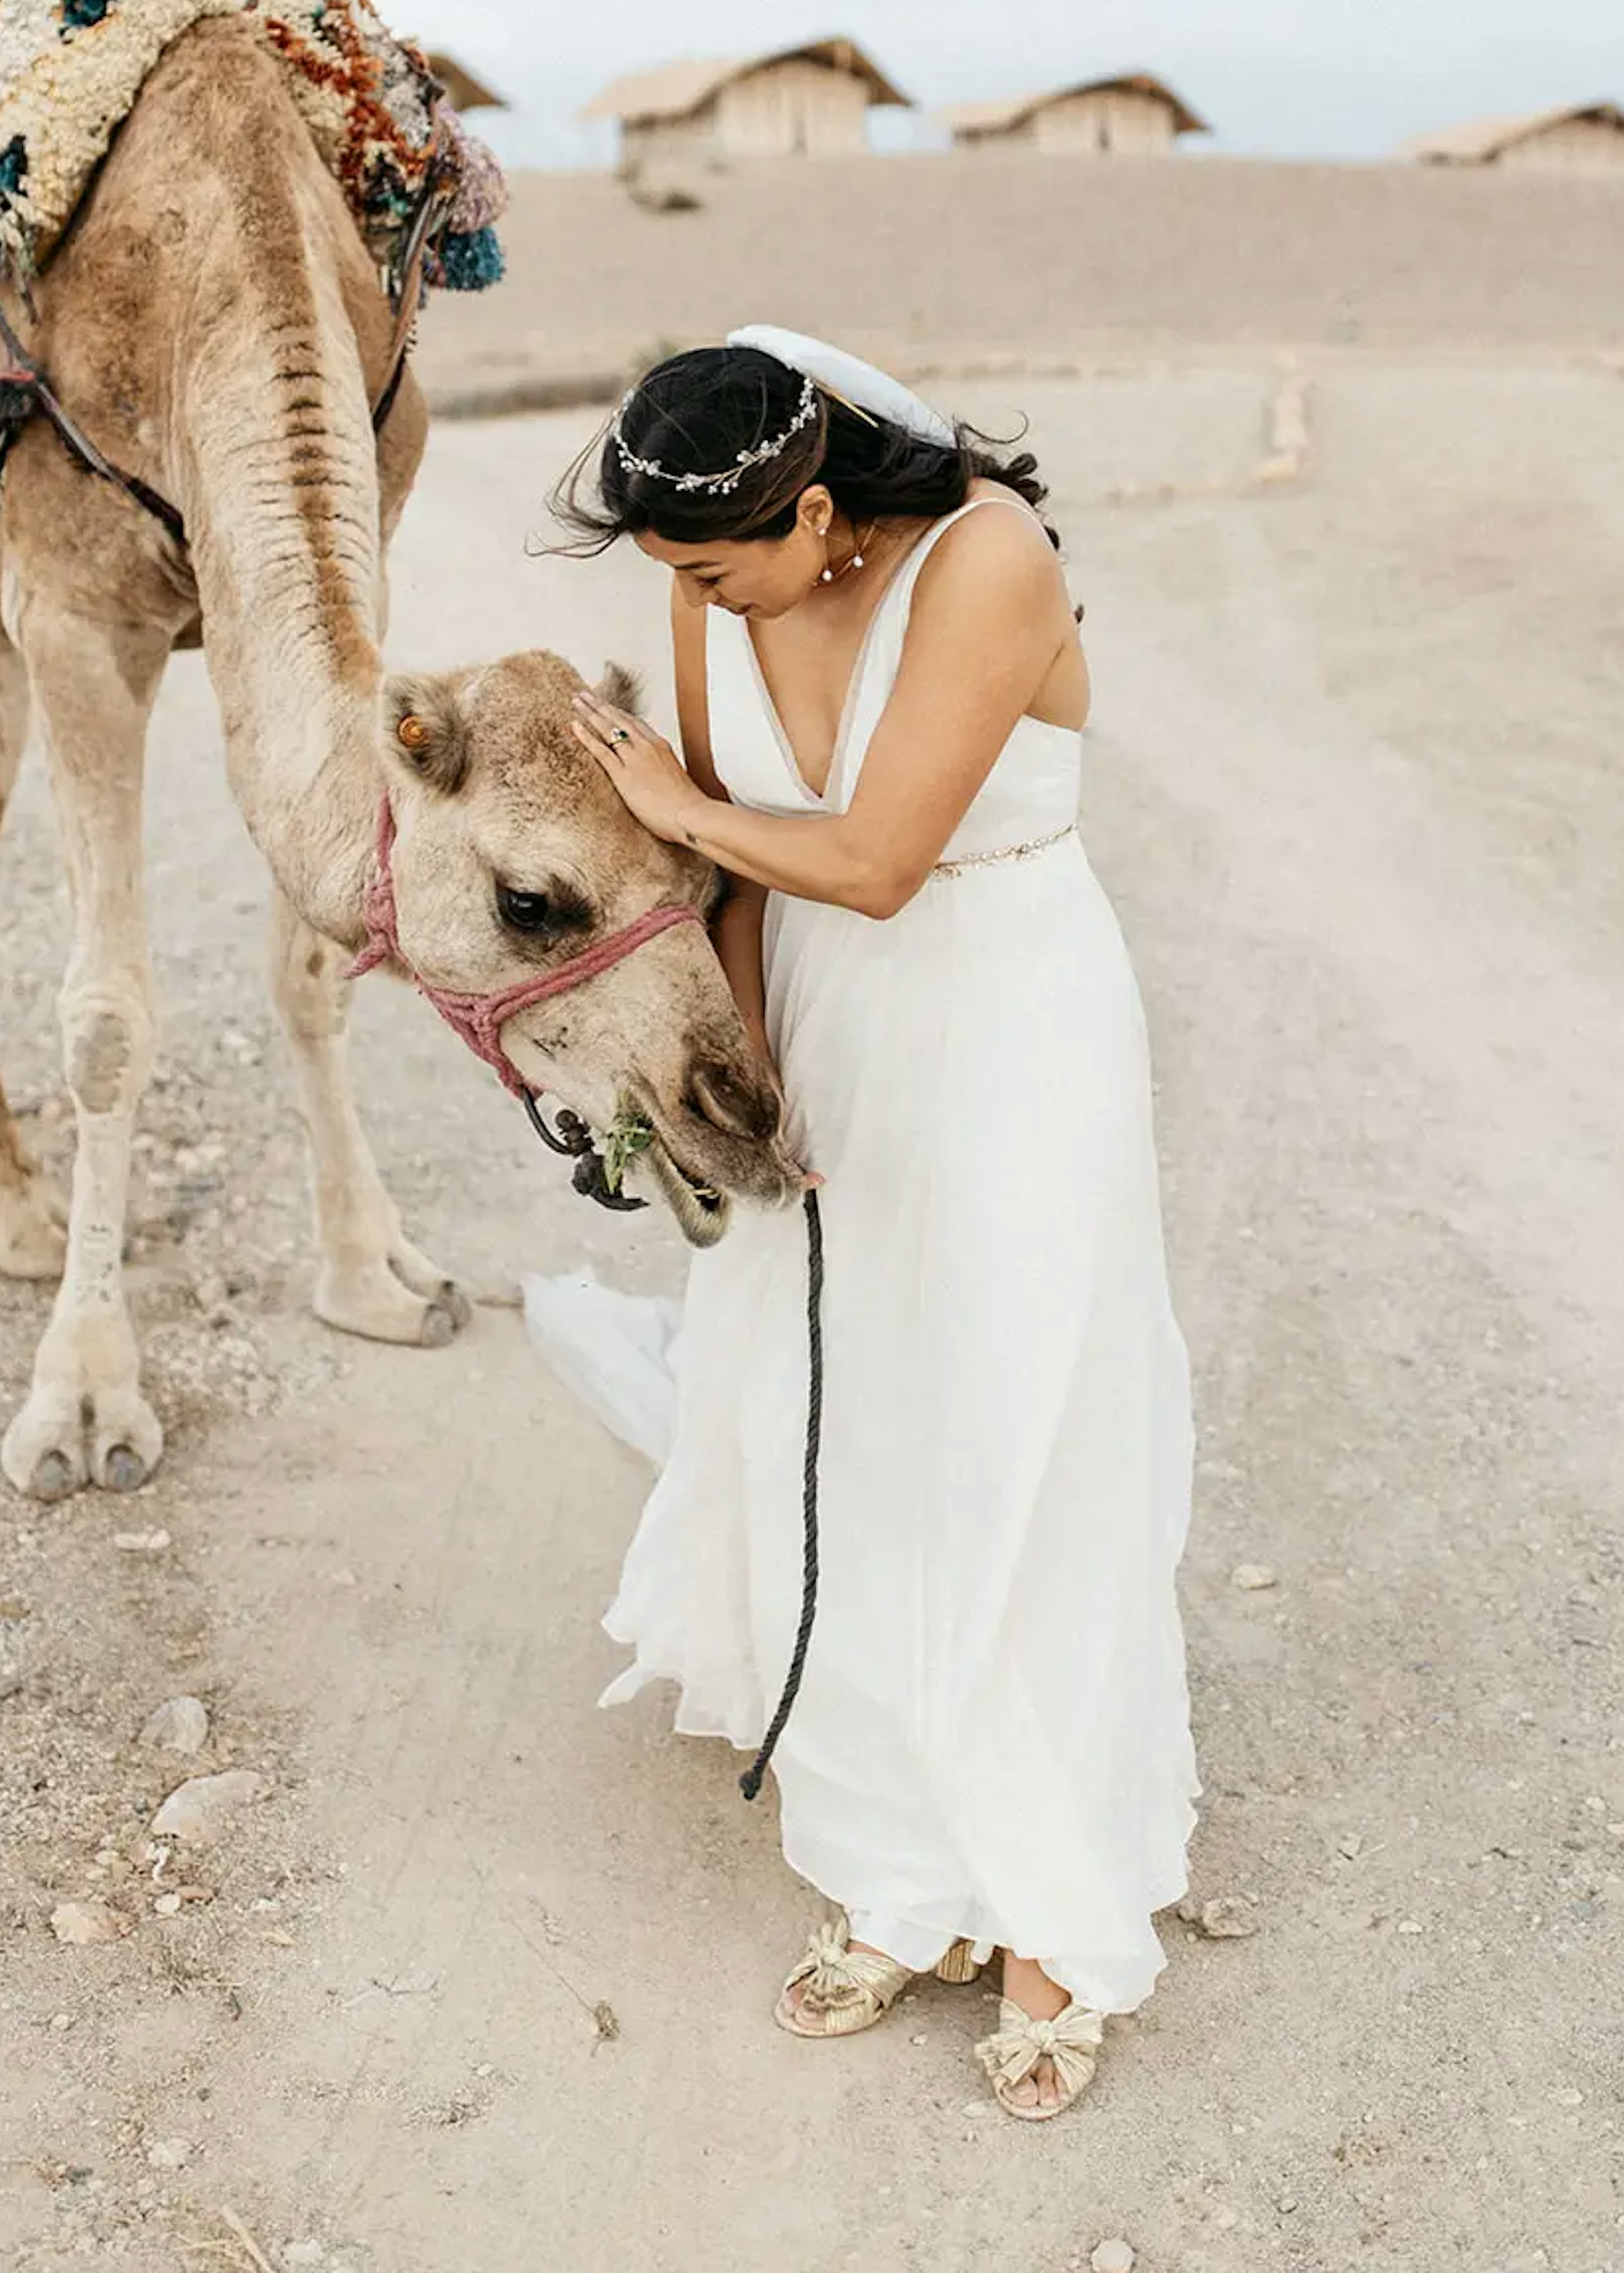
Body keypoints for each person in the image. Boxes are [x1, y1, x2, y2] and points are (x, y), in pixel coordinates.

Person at [550, 327, 1196, 2121]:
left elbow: (876, 857)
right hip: (829, 1014)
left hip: (1004, 1005)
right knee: (831, 1439)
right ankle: (899, 1867)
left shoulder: (990, 560)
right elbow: (754, 887)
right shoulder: (706, 577)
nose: (689, 604)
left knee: (1017, 1441)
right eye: (672, 574)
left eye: (709, 570)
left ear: (818, 505)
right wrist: (747, 1076)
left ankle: (1056, 1911)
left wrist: (673, 805)